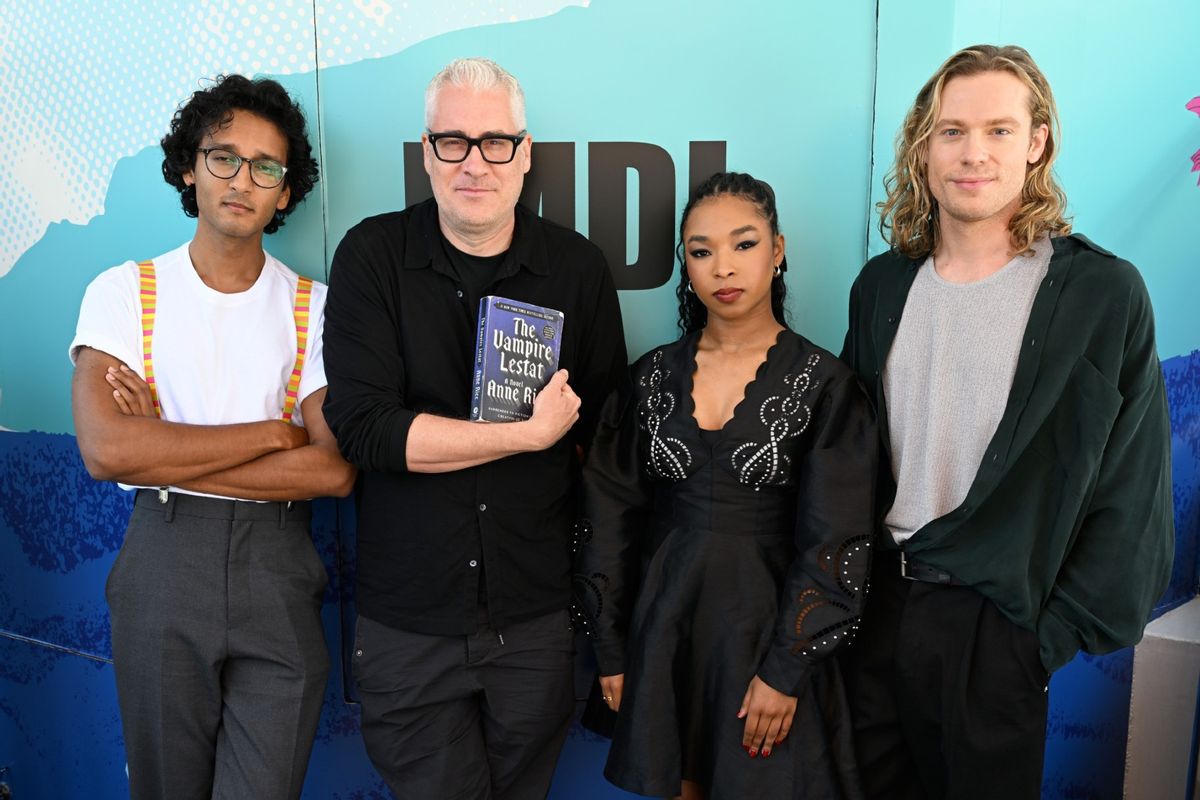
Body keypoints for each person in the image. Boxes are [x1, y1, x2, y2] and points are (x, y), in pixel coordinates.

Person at [839, 44, 1174, 800]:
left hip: (997, 628)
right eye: (952, 131)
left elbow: (1132, 488)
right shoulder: (882, 285)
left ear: (1037, 143)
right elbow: (847, 456)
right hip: (876, 613)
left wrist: (1043, 641)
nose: (973, 153)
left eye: (998, 130)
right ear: (924, 150)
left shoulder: (1101, 294)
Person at [321, 57, 627, 799]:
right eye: (452, 141)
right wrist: (522, 436)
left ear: (525, 155)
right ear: (426, 153)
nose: (474, 163)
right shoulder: (372, 256)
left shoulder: (577, 270)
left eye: (495, 142)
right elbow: (364, 431)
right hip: (409, 622)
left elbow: (606, 452)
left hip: (534, 616)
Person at [70, 74, 355, 799]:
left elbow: (332, 472)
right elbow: (108, 451)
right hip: (163, 563)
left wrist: (163, 446)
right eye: (223, 157)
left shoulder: (316, 308)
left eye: (267, 167)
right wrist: (273, 433)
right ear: (190, 168)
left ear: (287, 192)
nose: (242, 179)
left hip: (280, 571)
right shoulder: (123, 292)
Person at [573, 171, 878, 799]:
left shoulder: (826, 384)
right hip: (666, 633)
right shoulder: (649, 378)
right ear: (686, 264)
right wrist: (611, 649)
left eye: (743, 244)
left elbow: (838, 539)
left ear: (778, 249)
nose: (723, 268)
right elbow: (608, 517)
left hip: (770, 637)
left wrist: (786, 670)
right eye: (701, 251)